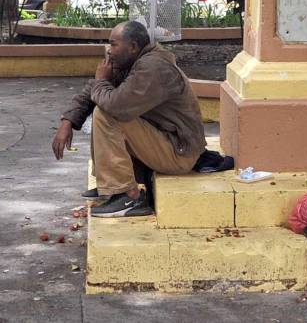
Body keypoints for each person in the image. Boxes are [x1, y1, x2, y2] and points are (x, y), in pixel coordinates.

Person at [52, 20, 207, 218]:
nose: (109, 50)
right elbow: (92, 90)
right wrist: (68, 122)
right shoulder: (129, 61)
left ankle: (128, 195)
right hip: (164, 143)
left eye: (113, 44)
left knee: (107, 114)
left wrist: (101, 81)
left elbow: (116, 106)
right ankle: (110, 186)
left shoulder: (153, 67)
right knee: (104, 107)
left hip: (179, 154)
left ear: (132, 46)